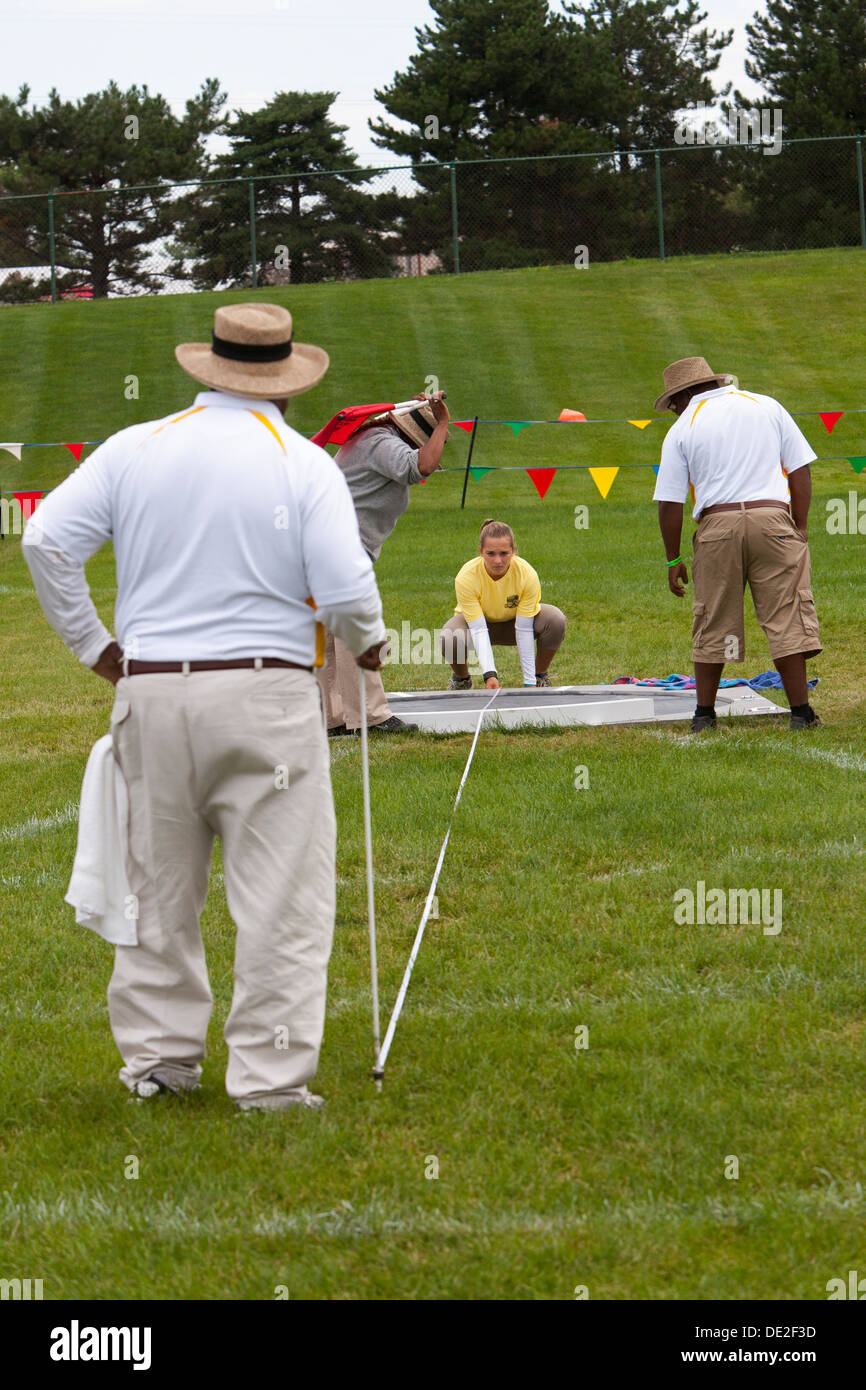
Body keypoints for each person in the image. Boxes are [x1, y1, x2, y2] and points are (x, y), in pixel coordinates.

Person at [22, 302, 387, 1112]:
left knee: (157, 888)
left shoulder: (134, 447)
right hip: (265, 694)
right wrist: (368, 640)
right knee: (281, 892)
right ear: (286, 385)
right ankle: (268, 1079)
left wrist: (97, 648)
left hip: (150, 691)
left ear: (207, 370)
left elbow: (44, 540)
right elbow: (346, 585)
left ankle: (159, 1063)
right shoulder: (299, 461)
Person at [652, 356, 822, 732]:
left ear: (684, 395)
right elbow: (800, 469)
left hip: (717, 527)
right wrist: (800, 525)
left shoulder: (683, 427)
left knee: (715, 617)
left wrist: (673, 559)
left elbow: (670, 502)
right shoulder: (767, 405)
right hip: (773, 519)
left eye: (674, 403)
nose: (675, 410)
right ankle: (801, 713)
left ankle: (704, 716)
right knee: (786, 615)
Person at [318, 391, 450, 735]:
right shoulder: (381, 443)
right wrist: (442, 424)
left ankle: (332, 718)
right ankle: (370, 717)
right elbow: (420, 466)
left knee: (330, 637)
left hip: (322, 545)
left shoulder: (369, 437)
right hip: (339, 547)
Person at [441, 518, 566, 688]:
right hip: (476, 626)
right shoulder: (466, 577)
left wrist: (529, 683)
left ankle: (539, 676)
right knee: (450, 635)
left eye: (504, 553)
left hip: (516, 624)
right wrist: (490, 675)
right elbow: (478, 629)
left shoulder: (527, 574)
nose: (498, 561)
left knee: (555, 619)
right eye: (490, 554)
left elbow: (523, 629)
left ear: (513, 551)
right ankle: (462, 680)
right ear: (480, 551)